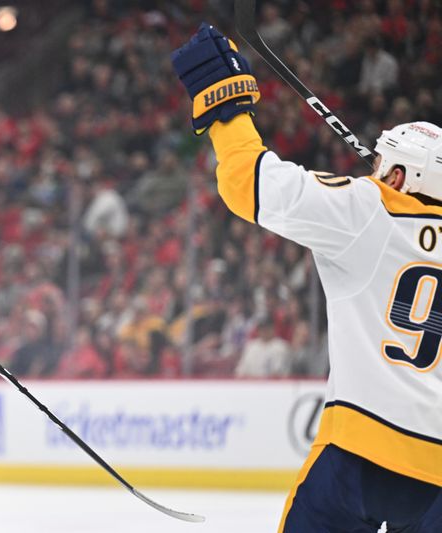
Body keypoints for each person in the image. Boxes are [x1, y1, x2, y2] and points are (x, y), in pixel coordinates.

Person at [171, 23, 442, 532]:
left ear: (401, 178)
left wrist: (226, 106)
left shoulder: (369, 209)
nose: (373, 171)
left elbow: (247, 182)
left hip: (359, 454)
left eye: (382, 164)